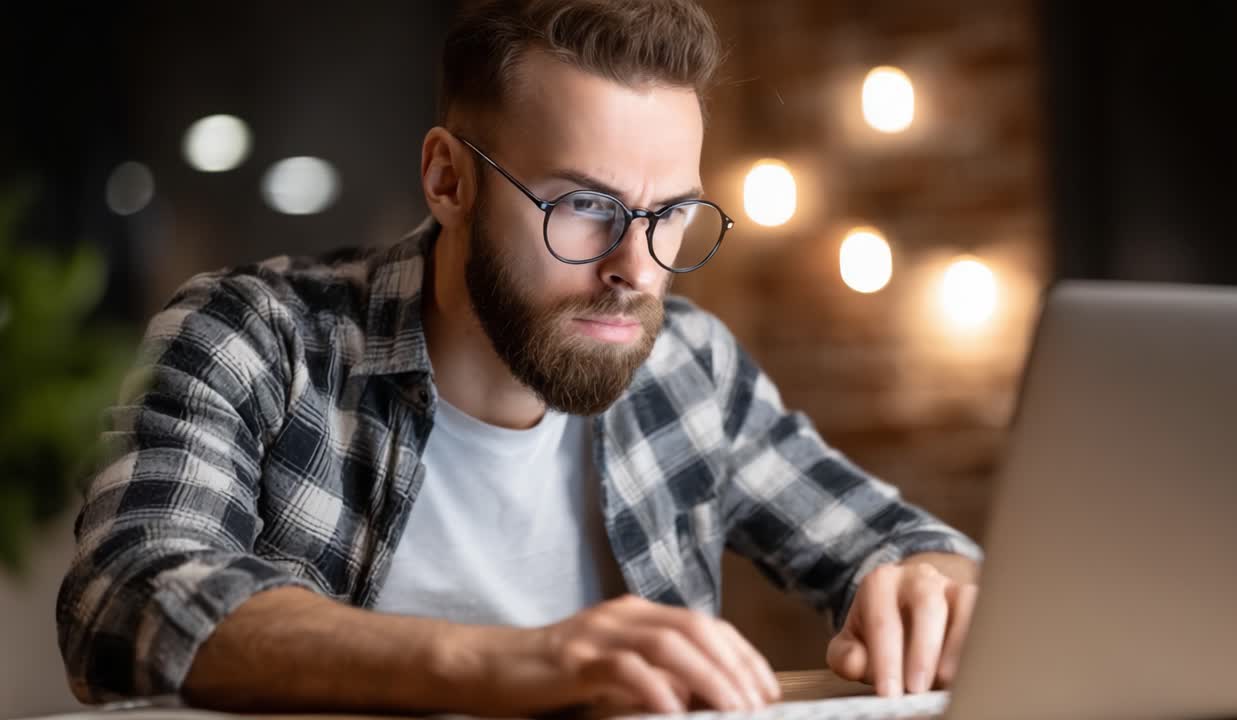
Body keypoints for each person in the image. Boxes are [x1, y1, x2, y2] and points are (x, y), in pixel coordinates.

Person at [57, 0, 982, 716]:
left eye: (670, 215)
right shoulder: (255, 336)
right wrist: (508, 663)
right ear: (447, 179)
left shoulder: (689, 365)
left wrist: (930, 586)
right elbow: (127, 597)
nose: (636, 269)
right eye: (584, 206)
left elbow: (913, 551)